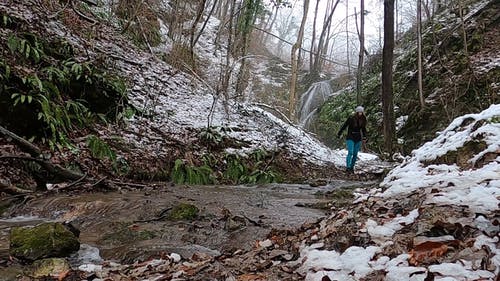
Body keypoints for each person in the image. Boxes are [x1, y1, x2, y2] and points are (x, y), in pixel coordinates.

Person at [337, 106, 367, 172]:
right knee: (350, 152)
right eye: (359, 112)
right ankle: (348, 167)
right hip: (350, 137)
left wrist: (365, 137)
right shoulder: (351, 118)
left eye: (361, 112)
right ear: (356, 112)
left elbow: (363, 129)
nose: (360, 113)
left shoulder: (363, 119)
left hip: (358, 138)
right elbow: (344, 126)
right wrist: (339, 133)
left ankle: (352, 167)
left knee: (355, 154)